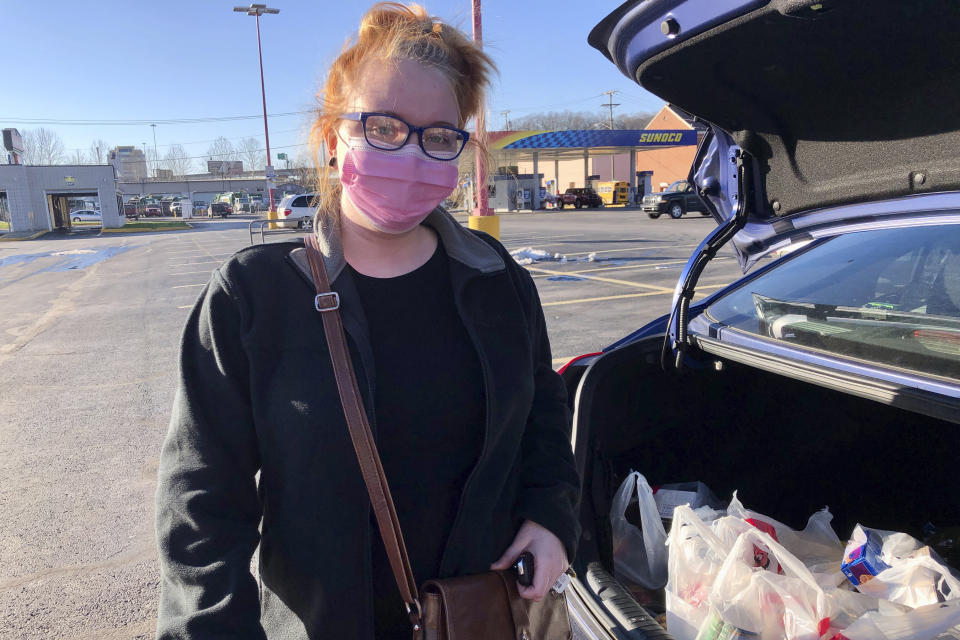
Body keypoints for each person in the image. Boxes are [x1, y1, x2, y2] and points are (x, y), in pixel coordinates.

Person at [154, 3, 581, 639]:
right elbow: (201, 504)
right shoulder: (253, 296)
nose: (410, 153)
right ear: (333, 138)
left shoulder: (497, 281)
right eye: (382, 126)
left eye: (438, 136)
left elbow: (542, 415)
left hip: (475, 618)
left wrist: (550, 517)